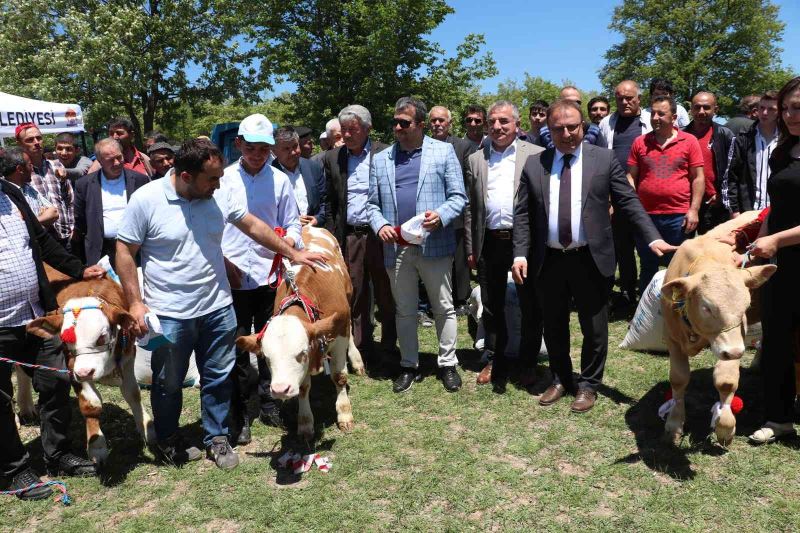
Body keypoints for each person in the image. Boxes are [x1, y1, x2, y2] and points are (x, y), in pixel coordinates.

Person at [115, 138, 325, 470]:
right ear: (185, 175)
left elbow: (254, 226)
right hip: (170, 314)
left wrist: (294, 253)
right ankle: (169, 439)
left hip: (218, 307)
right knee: (169, 381)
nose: (218, 183)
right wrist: (135, 302)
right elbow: (125, 251)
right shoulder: (147, 200)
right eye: (211, 178)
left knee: (218, 376)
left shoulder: (218, 193)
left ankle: (217, 436)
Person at [511, 99, 673, 413]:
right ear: (549, 131)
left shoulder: (604, 159)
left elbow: (628, 201)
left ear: (583, 126)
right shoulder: (535, 164)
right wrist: (520, 254)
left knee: (594, 327)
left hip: (591, 258)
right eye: (558, 128)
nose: (567, 133)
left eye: (573, 126)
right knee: (554, 324)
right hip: (550, 260)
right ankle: (560, 378)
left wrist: (652, 237)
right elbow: (522, 215)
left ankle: (588, 385)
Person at [0, 171, 106, 500]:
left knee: (57, 381)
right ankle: (14, 470)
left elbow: (41, 241)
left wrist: (78, 269)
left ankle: (57, 453)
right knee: (1, 400)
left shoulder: (10, 192)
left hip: (34, 314)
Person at [367, 97, 467, 393]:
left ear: (421, 125)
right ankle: (409, 364)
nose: (397, 127)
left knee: (443, 307)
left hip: (434, 244)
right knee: (405, 310)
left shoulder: (444, 151)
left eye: (404, 123)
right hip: (396, 248)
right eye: (395, 122)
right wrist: (381, 225)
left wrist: (441, 215)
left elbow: (459, 197)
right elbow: (372, 205)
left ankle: (448, 363)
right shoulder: (381, 159)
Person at [221, 115, 303, 445]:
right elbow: (213, 229)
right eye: (251, 148)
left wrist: (289, 245)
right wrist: (225, 263)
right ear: (239, 144)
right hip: (234, 277)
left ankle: (270, 403)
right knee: (240, 347)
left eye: (264, 149)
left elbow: (293, 225)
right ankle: (241, 413)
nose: (257, 155)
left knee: (272, 344)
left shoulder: (281, 181)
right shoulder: (224, 180)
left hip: (271, 277)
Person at [464, 101, 544, 389]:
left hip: (526, 242)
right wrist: (472, 247)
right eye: (493, 122)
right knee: (492, 304)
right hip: (489, 243)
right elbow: (471, 208)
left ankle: (527, 362)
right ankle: (494, 358)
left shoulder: (536, 155)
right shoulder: (476, 159)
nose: (497, 127)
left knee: (530, 303)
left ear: (517, 125)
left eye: (504, 122)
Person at [747, 77, 800, 444]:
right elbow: (776, 208)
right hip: (779, 264)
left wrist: (775, 240)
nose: (789, 114)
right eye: (785, 108)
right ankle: (778, 417)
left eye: (796, 107)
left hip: (787, 250)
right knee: (777, 337)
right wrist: (754, 241)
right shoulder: (784, 150)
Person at [323, 105, 396, 364]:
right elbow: (330, 201)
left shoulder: (386, 153)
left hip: (382, 235)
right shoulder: (333, 158)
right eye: (343, 130)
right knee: (355, 293)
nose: (347, 135)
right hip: (351, 236)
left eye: (352, 130)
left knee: (386, 291)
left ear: (367, 129)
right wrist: (332, 235)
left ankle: (389, 346)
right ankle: (360, 347)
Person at [626, 95, 704, 294]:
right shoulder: (640, 142)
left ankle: (678, 315)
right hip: (647, 217)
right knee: (648, 267)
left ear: (674, 116)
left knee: (679, 268)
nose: (655, 117)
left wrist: (694, 210)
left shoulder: (689, 141)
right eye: (652, 113)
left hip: (679, 217)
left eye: (661, 113)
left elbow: (698, 178)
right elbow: (631, 177)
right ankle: (645, 316)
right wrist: (635, 210)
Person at [598, 80, 652, 310]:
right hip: (616, 198)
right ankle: (628, 293)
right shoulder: (606, 123)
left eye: (629, 98)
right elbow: (600, 160)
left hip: (646, 197)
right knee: (622, 248)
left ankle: (648, 298)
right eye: (620, 98)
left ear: (639, 98)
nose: (624, 102)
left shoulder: (651, 120)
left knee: (647, 248)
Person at [73, 138, 150, 268]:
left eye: (119, 157)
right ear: (100, 161)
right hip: (101, 250)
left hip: (134, 249)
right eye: (110, 160)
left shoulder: (139, 180)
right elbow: (81, 220)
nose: (117, 163)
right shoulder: (84, 184)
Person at [428, 105, 475, 315]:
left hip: (457, 209)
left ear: (450, 123)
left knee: (460, 258)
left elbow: (468, 179)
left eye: (441, 120)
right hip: (429, 211)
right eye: (434, 121)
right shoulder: (422, 146)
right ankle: (433, 298)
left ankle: (462, 298)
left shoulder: (463, 146)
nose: (437, 124)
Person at [683, 91, 735, 233]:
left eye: (706, 107)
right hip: (685, 202)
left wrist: (720, 194)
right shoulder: (681, 135)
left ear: (715, 110)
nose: (701, 111)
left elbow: (732, 170)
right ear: (691, 109)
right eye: (697, 107)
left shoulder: (725, 135)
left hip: (714, 204)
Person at [16, 123, 73, 250]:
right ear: (20, 144)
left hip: (66, 238)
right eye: (30, 140)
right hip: (41, 242)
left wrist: (73, 228)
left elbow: (69, 199)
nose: (36, 142)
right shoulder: (19, 173)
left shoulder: (57, 166)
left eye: (39, 138)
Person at [726, 91, 779, 214]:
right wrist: (734, 211)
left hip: (778, 212)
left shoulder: (787, 139)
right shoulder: (744, 137)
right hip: (749, 211)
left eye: (771, 109)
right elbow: (731, 175)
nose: (765, 113)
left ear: (780, 112)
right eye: (762, 108)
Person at [272, 126, 328, 227]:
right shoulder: (269, 175)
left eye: (295, 146)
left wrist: (318, 218)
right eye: (286, 149)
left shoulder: (313, 167)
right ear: (274, 151)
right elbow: (266, 211)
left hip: (314, 233)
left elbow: (325, 200)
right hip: (284, 236)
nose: (293, 152)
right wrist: (292, 220)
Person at [1, 147, 59, 227]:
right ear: (20, 169)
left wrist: (30, 221)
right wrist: (42, 218)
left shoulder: (29, 189)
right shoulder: (4, 196)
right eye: (30, 165)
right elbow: (15, 227)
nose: (32, 168)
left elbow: (54, 212)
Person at [537, 87, 606, 149]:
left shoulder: (594, 131)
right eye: (568, 102)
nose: (574, 105)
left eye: (577, 103)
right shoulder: (544, 133)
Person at [88, 117, 153, 177]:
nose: (114, 137)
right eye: (111, 133)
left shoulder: (144, 159)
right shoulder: (101, 163)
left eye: (119, 133)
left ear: (131, 135)